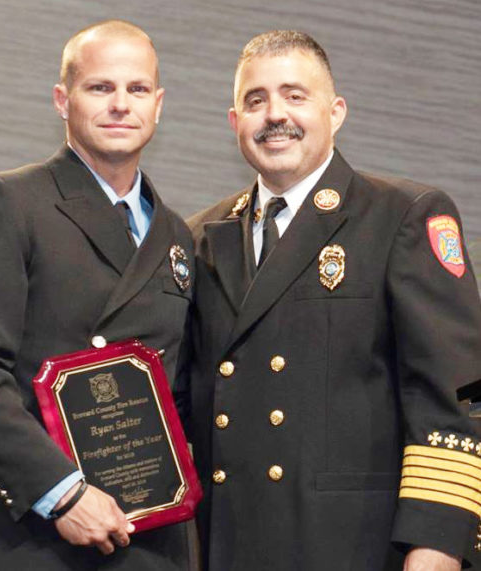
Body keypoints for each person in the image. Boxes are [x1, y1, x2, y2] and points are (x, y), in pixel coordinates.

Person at [187, 30, 481, 571]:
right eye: (256, 100)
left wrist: (438, 542)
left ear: (336, 111)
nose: (275, 114)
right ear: (235, 123)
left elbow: (461, 391)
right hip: (226, 545)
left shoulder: (404, 216)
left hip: (354, 548)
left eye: (295, 95)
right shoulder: (199, 236)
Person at [0, 20, 195, 571]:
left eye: (137, 89)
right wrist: (63, 493)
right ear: (62, 99)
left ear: (159, 105)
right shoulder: (9, 203)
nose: (121, 104)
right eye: (100, 87)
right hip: (30, 534)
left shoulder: (178, 236)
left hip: (147, 539)